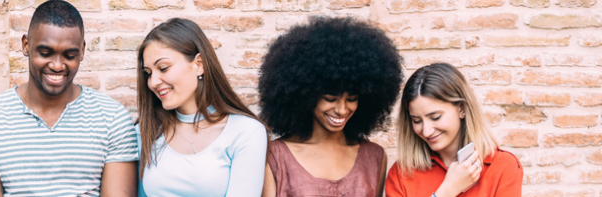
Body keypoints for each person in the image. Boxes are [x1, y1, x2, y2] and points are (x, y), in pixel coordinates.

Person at [0, 0, 139, 196]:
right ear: (26, 45)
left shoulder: (113, 118)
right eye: (45, 53)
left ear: (82, 51)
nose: (57, 65)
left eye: (69, 55)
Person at [258, 16, 403, 197]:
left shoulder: (374, 157)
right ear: (306, 95)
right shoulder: (275, 157)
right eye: (330, 98)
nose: (342, 109)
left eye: (351, 99)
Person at [135, 18, 267, 197]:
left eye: (163, 68)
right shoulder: (145, 131)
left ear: (199, 65)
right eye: (148, 73)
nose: (153, 82)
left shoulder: (246, 132)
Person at [385, 63, 523, 197]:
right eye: (417, 120)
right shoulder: (401, 174)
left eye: (435, 117)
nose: (426, 131)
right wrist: (448, 190)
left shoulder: (503, 166)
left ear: (461, 109)